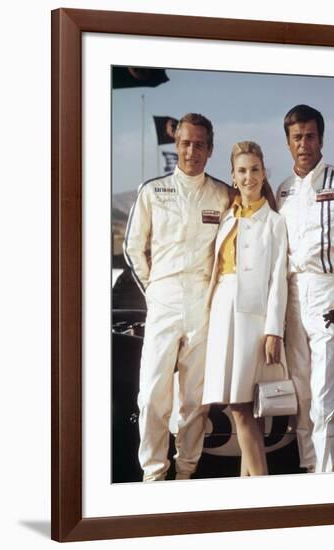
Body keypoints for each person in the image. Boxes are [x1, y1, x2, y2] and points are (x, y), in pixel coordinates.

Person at [124, 113, 230, 481]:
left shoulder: (223, 194)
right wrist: (152, 290)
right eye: (185, 143)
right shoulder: (152, 191)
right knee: (152, 393)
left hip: (203, 301)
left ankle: (186, 473)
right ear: (176, 145)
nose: (192, 151)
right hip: (163, 296)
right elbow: (133, 248)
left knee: (193, 399)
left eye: (200, 144)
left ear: (210, 149)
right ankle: (153, 475)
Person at [276, 104, 334, 473]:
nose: (304, 144)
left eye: (310, 136)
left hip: (330, 293)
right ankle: (308, 474)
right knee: (301, 394)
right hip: (293, 296)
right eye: (297, 137)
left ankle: (328, 484)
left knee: (325, 399)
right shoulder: (282, 192)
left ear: (321, 139)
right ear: (288, 142)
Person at [202, 141, 288, 476]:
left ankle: (263, 493)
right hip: (223, 313)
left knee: (242, 407)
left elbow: (278, 280)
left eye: (254, 169)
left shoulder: (274, 223)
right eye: (242, 171)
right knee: (242, 409)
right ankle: (247, 493)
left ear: (264, 172)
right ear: (233, 177)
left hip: (254, 320)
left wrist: (273, 330)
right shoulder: (227, 218)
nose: (249, 176)